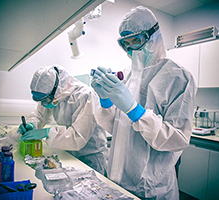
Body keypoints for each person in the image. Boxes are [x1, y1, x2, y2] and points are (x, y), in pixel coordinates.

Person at [91, 6, 197, 199]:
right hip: (117, 178)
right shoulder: (128, 75)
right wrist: (105, 101)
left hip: (152, 188)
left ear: (153, 36)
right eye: (125, 43)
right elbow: (115, 128)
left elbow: (177, 139)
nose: (131, 48)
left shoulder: (178, 77)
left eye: (136, 40)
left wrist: (135, 111)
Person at [19, 65, 108, 176]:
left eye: (46, 100)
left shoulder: (86, 95)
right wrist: (32, 124)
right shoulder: (55, 95)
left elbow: (77, 137)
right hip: (69, 154)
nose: (43, 104)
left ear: (57, 91)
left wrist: (46, 133)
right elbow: (40, 114)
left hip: (90, 156)